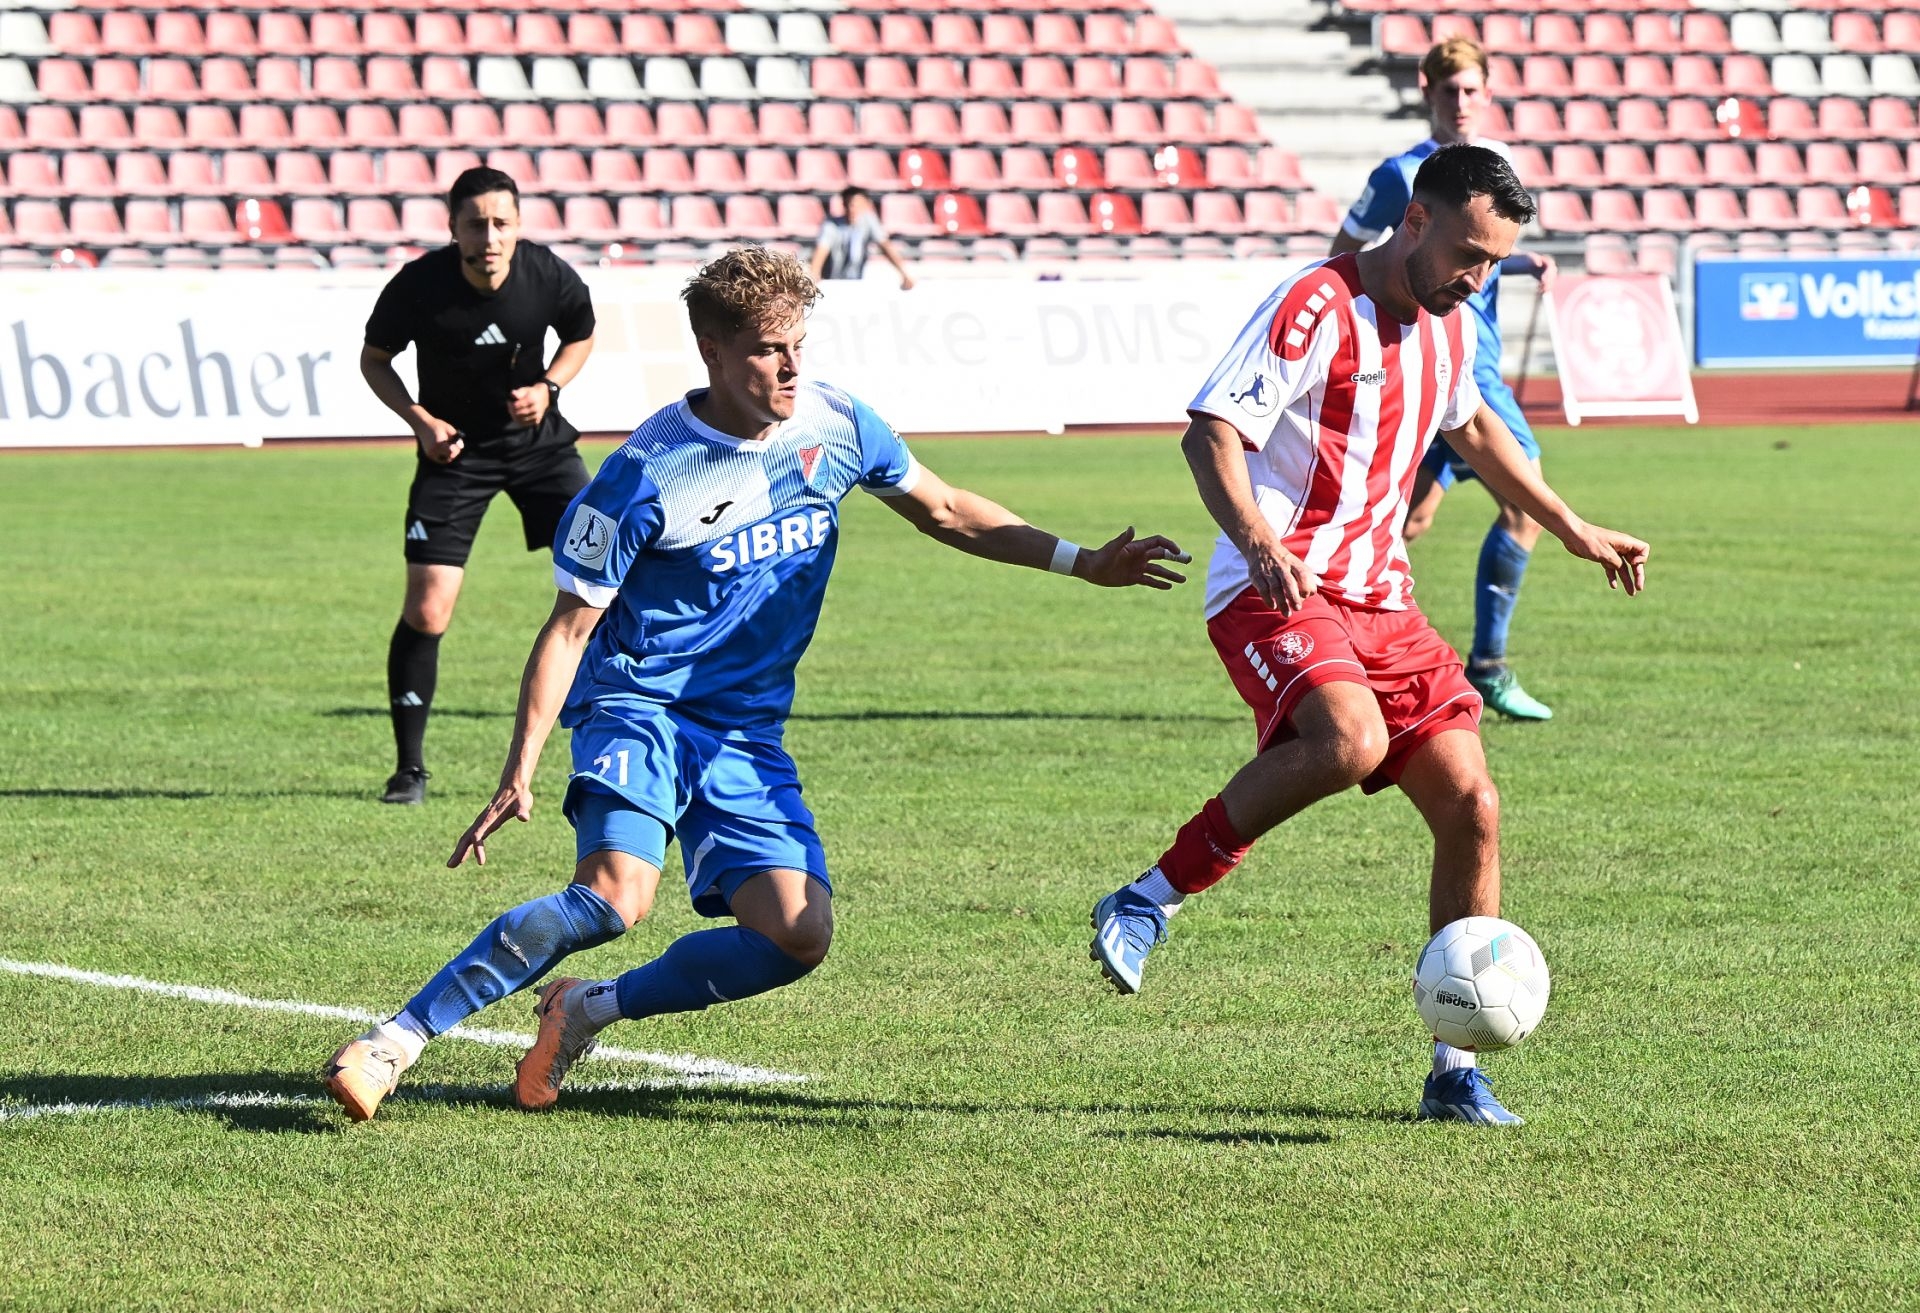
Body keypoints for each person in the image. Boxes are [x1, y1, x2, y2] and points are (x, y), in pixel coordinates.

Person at [325, 246, 1190, 1121]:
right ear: (712, 351)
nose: (791, 367)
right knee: (617, 896)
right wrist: (521, 769)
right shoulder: (647, 471)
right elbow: (569, 628)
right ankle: (394, 1040)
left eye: (798, 345)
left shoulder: (836, 425)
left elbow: (947, 508)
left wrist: (1082, 561)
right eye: (769, 350)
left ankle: (585, 1009)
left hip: (744, 730)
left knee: (797, 932)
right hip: (641, 705)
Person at [1090, 145, 1648, 1126]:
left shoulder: (1453, 324)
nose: (1479, 278)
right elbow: (1209, 432)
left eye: (1495, 264)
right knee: (1350, 738)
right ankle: (1148, 897)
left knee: (1474, 804)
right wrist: (1258, 540)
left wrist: (1570, 524)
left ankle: (1455, 1068)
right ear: (1416, 221)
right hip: (1277, 581)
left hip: (1383, 599)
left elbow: (1477, 432)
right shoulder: (1315, 303)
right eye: (1470, 254)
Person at [1331, 38, 1560, 720]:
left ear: (1488, 94)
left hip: (1464, 364)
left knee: (1407, 519)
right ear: (1427, 91)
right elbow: (1345, 253)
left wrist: (1522, 263)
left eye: (1471, 90)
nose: (1460, 103)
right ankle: (1485, 666)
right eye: (1449, 90)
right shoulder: (1400, 175)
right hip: (1450, 367)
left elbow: (1476, 256)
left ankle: (1337, 654)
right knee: (1524, 506)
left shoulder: (1499, 168)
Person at [361, 166, 598, 806]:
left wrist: (549, 387)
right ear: (453, 228)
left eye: (501, 223)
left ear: (518, 226)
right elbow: (374, 360)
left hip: (539, 449)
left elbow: (581, 334)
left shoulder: (547, 275)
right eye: (476, 224)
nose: (489, 237)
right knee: (428, 608)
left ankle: (622, 727)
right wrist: (420, 421)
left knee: (608, 581)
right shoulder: (419, 286)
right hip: (455, 453)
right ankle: (409, 771)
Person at [810, 186, 915, 289]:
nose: (852, 209)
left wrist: (904, 273)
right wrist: (814, 273)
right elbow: (821, 249)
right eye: (849, 204)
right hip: (833, 283)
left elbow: (885, 246)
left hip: (856, 282)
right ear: (843, 204)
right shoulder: (831, 225)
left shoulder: (869, 221)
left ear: (866, 205)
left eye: (857, 205)